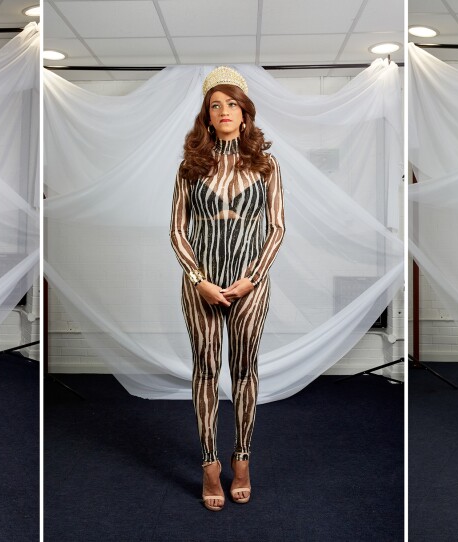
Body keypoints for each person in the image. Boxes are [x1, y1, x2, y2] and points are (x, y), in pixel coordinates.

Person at [169, 66, 285, 511]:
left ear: (244, 111)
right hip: (201, 283)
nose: (223, 111)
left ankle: (241, 461)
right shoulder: (190, 166)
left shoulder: (266, 164)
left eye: (231, 103)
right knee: (204, 369)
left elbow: (276, 227)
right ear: (206, 113)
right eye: (215, 104)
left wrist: (250, 279)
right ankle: (209, 466)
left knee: (244, 371)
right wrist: (199, 281)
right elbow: (177, 229)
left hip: (250, 285)